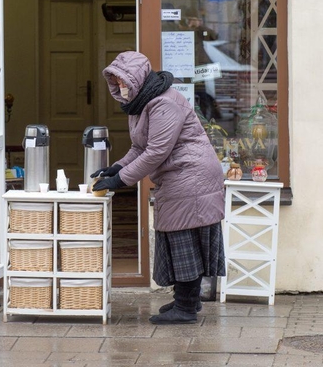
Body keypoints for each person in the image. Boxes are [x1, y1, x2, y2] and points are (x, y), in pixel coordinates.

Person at [92, 51, 226, 325]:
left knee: (184, 240)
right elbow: (139, 147)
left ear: (137, 77)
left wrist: (121, 181)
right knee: (177, 239)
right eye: (116, 82)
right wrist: (116, 167)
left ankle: (187, 308)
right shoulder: (141, 103)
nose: (120, 87)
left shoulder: (164, 104)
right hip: (178, 176)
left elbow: (156, 152)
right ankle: (184, 300)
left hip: (192, 177)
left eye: (123, 81)